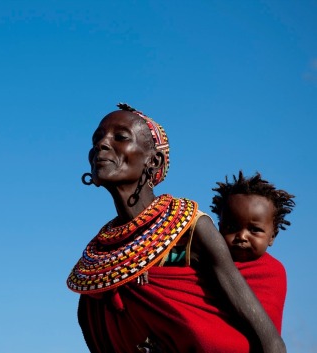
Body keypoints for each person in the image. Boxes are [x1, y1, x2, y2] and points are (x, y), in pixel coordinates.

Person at [66, 103, 286, 353]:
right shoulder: (101, 263)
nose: (101, 145)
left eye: (120, 137)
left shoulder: (191, 229)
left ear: (153, 160)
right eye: (97, 138)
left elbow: (269, 341)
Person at [210, 171, 295, 332]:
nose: (242, 236)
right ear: (219, 228)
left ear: (272, 236)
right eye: (231, 228)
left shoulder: (273, 272)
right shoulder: (203, 261)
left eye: (254, 230)